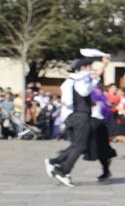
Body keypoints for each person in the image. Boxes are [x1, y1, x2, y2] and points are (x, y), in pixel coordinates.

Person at [47, 58, 115, 186]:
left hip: (79, 117)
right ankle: (62, 169)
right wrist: (95, 77)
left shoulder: (76, 80)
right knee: (80, 146)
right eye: (89, 67)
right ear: (83, 68)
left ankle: (57, 164)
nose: (90, 69)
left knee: (79, 145)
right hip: (80, 117)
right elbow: (84, 91)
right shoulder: (78, 81)